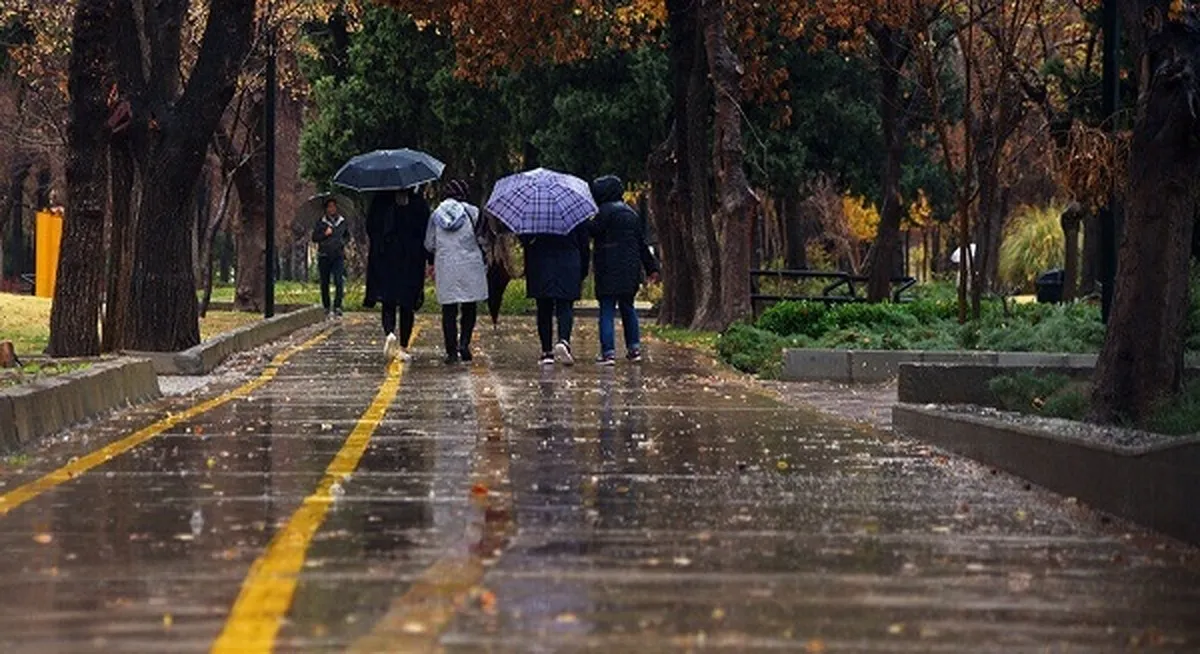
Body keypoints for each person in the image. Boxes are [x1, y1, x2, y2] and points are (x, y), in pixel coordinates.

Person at [589, 175, 659, 365]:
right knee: (628, 308)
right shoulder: (631, 214)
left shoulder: (603, 213)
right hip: (630, 269)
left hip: (607, 268)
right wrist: (652, 267)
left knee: (607, 309)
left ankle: (608, 352)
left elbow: (592, 231)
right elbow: (641, 244)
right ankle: (634, 348)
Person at [425, 179, 488, 364]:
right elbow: (483, 239)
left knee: (449, 309)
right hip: (470, 265)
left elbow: (429, 243)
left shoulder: (436, 215)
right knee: (469, 306)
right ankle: (464, 344)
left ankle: (451, 352)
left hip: (446, 266)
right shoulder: (473, 212)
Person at [365, 187, 431, 361]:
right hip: (411, 261)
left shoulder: (380, 201)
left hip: (385, 259)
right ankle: (403, 346)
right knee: (407, 304)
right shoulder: (418, 203)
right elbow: (426, 231)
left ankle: (389, 333)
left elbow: (370, 227)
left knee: (388, 301)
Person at [522, 223, 590, 366]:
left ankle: (547, 351)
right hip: (568, 261)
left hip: (540, 262)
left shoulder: (535, 213)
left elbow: (525, 239)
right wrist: (583, 269)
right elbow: (584, 243)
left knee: (543, 308)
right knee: (565, 305)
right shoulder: (573, 212)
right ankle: (564, 340)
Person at [311, 197, 350, 319]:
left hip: (338, 255)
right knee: (325, 282)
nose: (331, 209)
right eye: (329, 207)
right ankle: (326, 306)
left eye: (333, 206)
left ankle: (337, 306)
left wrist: (342, 242)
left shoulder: (342, 222)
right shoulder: (321, 222)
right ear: (326, 209)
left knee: (339, 281)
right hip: (324, 255)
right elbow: (314, 237)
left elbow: (347, 236)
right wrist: (324, 234)